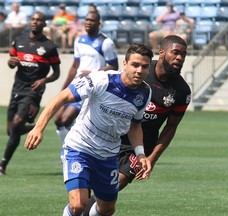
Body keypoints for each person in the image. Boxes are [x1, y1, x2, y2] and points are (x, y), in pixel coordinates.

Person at [24, 43, 154, 216]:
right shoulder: (102, 80)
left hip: (108, 156)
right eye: (135, 65)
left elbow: (135, 125)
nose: (139, 70)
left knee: (107, 209)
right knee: (78, 204)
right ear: (125, 64)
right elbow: (61, 97)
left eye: (144, 67)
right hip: (80, 148)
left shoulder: (145, 93)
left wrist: (141, 154)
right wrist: (38, 128)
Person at [83, 35, 191, 216]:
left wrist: (152, 158)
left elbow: (171, 127)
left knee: (113, 188)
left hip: (139, 147)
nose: (180, 58)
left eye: (183, 54)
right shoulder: (141, 71)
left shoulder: (181, 90)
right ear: (162, 52)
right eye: (175, 53)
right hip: (111, 135)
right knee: (84, 190)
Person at [0, 11, 61, 176]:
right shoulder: (19, 41)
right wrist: (10, 62)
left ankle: (2, 165)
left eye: (39, 20)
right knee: (11, 130)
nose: (35, 22)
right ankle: (36, 126)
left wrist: (44, 81)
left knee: (17, 123)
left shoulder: (49, 47)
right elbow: (12, 61)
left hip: (33, 91)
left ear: (44, 24)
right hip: (17, 88)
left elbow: (56, 73)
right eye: (33, 19)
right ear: (30, 22)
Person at [54, 11, 119, 145]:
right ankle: (66, 150)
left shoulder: (105, 42)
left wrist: (93, 72)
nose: (89, 23)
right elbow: (74, 66)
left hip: (89, 87)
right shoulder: (79, 40)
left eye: (92, 20)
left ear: (99, 23)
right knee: (57, 120)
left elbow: (114, 66)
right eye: (87, 20)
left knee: (66, 119)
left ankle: (72, 150)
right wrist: (64, 88)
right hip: (75, 85)